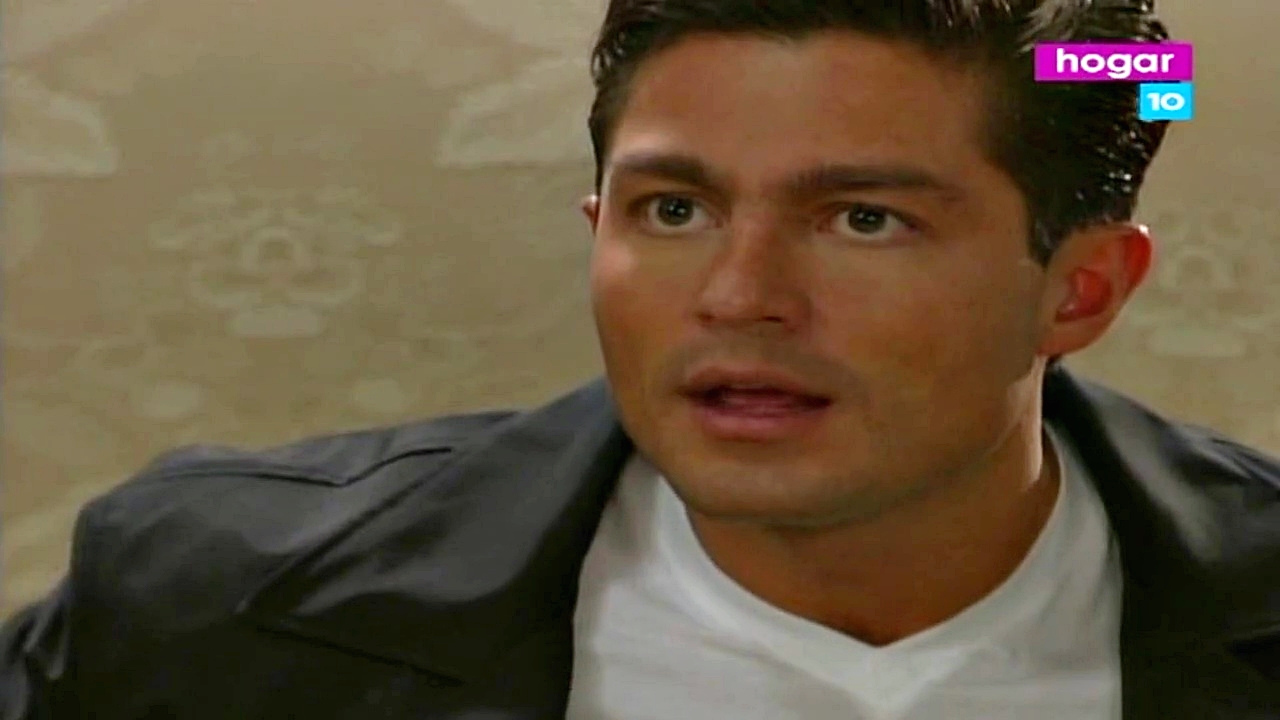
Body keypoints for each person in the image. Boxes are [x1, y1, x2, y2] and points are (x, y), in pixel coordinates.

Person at [4, 0, 1279, 717]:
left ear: (1080, 289)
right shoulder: (202, 608)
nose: (738, 297)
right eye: (673, 210)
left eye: (862, 220)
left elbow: (1130, 73)